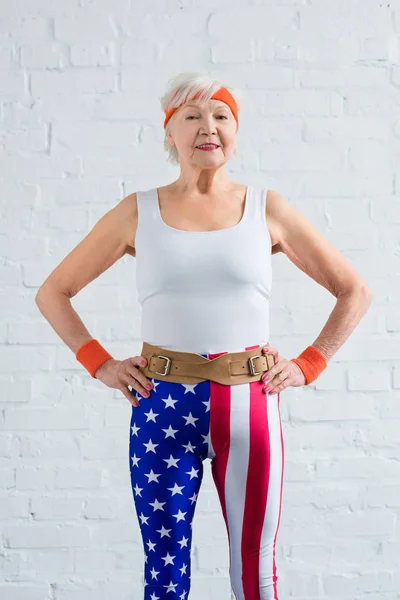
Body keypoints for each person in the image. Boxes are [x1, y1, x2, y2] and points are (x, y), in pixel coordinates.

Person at [35, 71, 373, 600]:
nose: (208, 126)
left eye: (221, 115)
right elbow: (54, 291)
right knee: (165, 572)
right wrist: (100, 362)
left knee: (256, 574)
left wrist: (310, 362)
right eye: (192, 115)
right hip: (160, 404)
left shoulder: (268, 209)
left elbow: (354, 290)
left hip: (250, 403)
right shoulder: (138, 211)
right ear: (170, 131)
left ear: (236, 130)